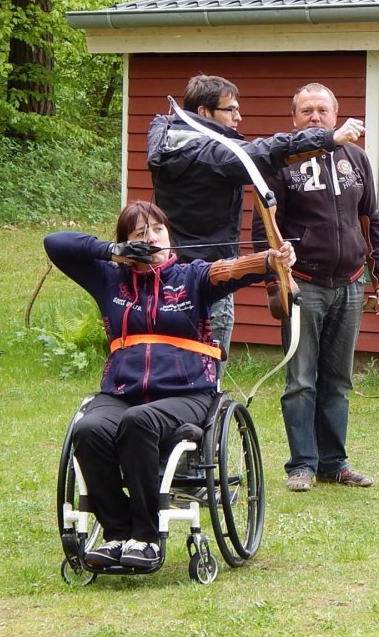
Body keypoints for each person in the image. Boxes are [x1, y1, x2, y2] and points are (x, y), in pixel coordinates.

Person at [44, 201, 295, 570]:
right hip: (120, 392)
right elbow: (55, 243)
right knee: (89, 428)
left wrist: (271, 260)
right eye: (140, 234)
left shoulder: (193, 276)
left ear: (169, 235)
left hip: (188, 393)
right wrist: (111, 252)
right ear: (128, 244)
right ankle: (117, 534)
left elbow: (232, 269)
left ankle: (146, 538)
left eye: (158, 229)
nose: (152, 237)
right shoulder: (108, 279)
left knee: (139, 422)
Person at [147, 74, 365, 357]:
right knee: (205, 377)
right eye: (230, 109)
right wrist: (327, 138)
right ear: (203, 112)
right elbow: (257, 154)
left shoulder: (173, 139)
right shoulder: (206, 154)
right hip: (207, 280)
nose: (238, 117)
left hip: (172, 276)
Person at [252, 82, 379, 493]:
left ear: (336, 114)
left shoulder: (356, 158)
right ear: (294, 117)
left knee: (338, 379)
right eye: (307, 111)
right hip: (303, 284)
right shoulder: (280, 162)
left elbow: (372, 219)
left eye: (322, 111)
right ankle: (302, 465)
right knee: (300, 380)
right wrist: (274, 280)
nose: (315, 117)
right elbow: (264, 225)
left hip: (349, 284)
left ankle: (334, 462)